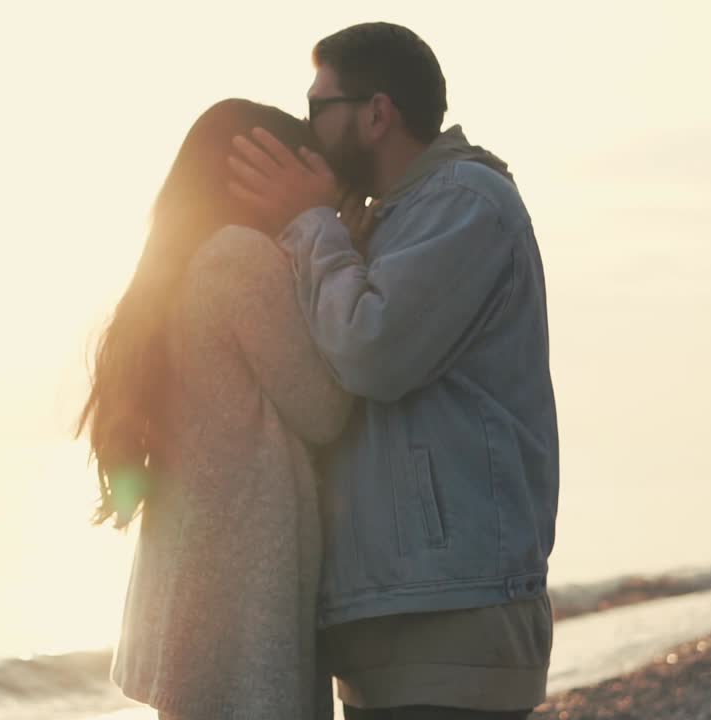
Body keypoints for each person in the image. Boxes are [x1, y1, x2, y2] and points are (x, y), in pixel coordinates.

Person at [228, 22, 560, 720]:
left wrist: (314, 222)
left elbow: (370, 352)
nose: (307, 128)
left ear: (378, 114)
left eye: (320, 107)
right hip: (408, 617)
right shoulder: (391, 220)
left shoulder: (465, 201)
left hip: (451, 619)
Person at [76, 99, 358, 719]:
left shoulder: (181, 264)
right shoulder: (239, 258)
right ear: (249, 171)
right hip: (239, 604)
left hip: (196, 598)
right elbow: (327, 410)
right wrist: (326, 232)